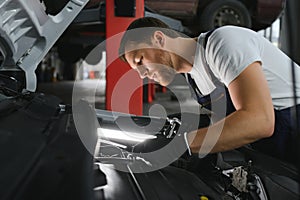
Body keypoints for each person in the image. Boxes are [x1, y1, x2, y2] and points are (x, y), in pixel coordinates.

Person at [118, 17, 300, 165]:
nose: (142, 75)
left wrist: (181, 145)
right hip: (279, 153)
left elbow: (260, 121)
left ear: (159, 39)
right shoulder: (194, 78)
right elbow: (227, 123)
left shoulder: (222, 44)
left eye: (140, 60)